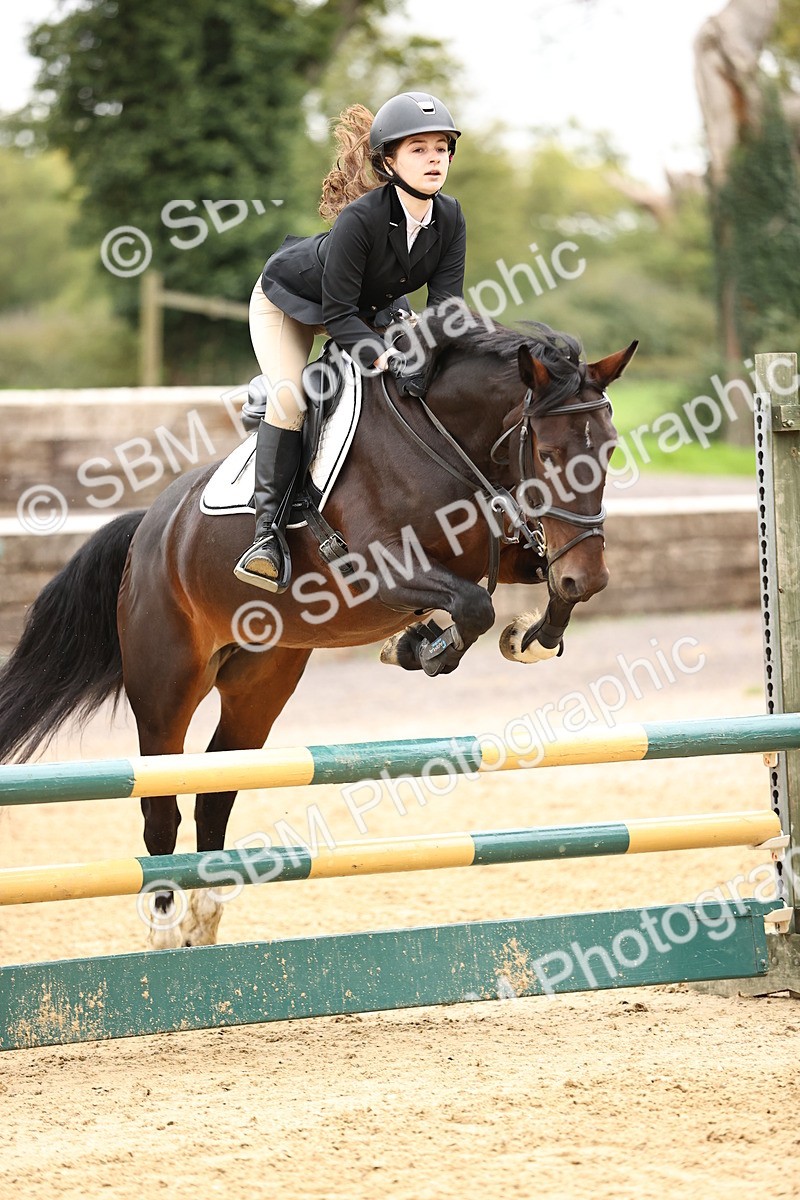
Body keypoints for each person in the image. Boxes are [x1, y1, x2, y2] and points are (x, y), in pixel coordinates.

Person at [234, 90, 467, 593]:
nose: (434, 159)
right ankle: (267, 535)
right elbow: (337, 314)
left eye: (441, 148)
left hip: (371, 305)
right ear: (389, 160)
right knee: (292, 396)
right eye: (419, 149)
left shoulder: (449, 217)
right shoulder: (360, 219)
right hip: (293, 301)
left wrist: (439, 354)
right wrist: (385, 354)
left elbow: (446, 308)